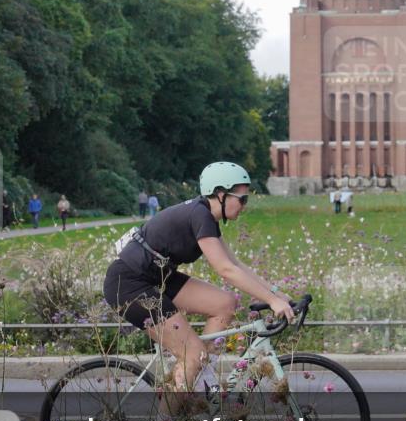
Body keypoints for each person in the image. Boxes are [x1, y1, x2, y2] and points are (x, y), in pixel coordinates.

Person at [103, 161, 296, 399]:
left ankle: (202, 377)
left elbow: (236, 264)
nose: (245, 205)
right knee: (192, 355)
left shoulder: (205, 216)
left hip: (157, 277)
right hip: (129, 284)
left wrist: (276, 293)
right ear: (221, 194)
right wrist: (272, 301)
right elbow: (226, 270)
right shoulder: (200, 215)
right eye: (242, 199)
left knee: (225, 303)